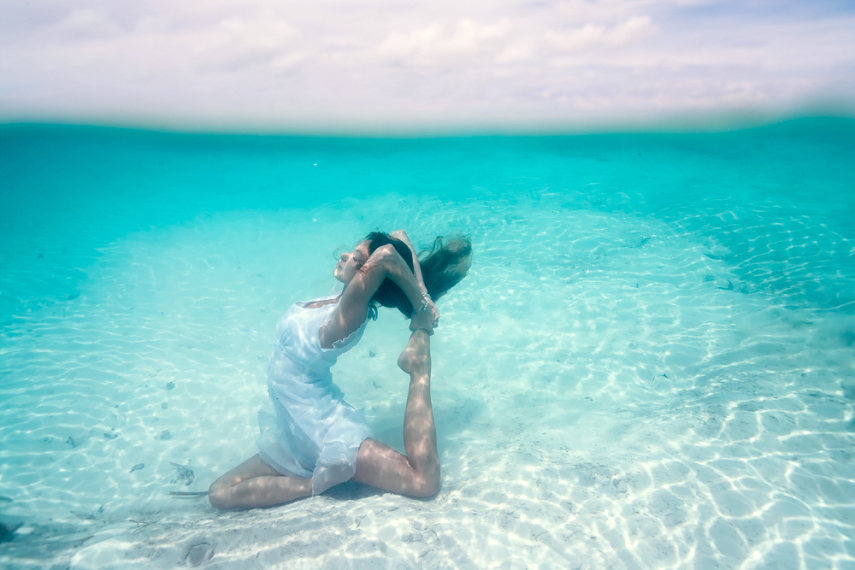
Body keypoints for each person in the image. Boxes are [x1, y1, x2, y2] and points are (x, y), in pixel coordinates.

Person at [208, 230, 472, 510]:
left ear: (367, 276)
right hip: (296, 430)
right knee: (220, 492)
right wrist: (422, 292)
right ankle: (316, 481)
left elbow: (387, 255)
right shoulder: (340, 298)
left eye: (356, 256)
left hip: (325, 433)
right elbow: (398, 236)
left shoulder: (348, 315)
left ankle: (419, 367)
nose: (344, 255)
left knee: (423, 481)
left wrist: (421, 307)